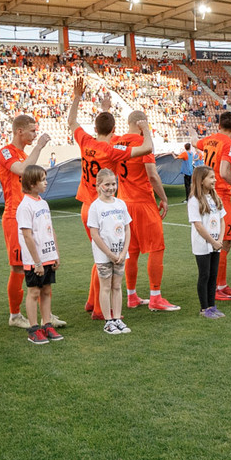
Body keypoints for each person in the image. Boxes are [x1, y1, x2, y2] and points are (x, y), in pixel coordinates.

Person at [67, 79, 152, 318]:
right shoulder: (112, 150)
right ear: (114, 131)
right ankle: (98, 309)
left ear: (95, 129)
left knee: (99, 257)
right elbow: (146, 149)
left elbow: (72, 121)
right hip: (101, 209)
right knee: (105, 258)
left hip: (85, 205)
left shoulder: (86, 141)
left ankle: (92, 302)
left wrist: (77, 97)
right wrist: (146, 129)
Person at [115, 110, 180, 313]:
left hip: (123, 202)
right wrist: (164, 198)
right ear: (142, 123)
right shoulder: (143, 144)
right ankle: (155, 297)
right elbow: (152, 175)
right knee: (156, 248)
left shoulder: (117, 142)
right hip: (143, 202)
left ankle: (132, 296)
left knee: (131, 251)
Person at [0, 114, 58, 329]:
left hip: (31, 214)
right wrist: (40, 146)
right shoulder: (6, 151)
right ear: (19, 131)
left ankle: (46, 315)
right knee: (18, 267)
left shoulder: (22, 153)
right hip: (15, 216)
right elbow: (22, 170)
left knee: (41, 261)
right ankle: (15, 315)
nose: (35, 134)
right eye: (32, 131)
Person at [195, 112, 231, 301]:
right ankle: (216, 287)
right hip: (220, 195)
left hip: (209, 193)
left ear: (219, 124)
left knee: (221, 240)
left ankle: (220, 285)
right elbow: (223, 171)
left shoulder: (209, 139)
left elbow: (197, 143)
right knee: (223, 241)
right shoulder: (229, 144)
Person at [17, 165, 62, 345]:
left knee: (47, 290)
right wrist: (36, 262)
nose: (46, 182)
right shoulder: (25, 206)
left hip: (48, 256)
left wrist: (56, 253)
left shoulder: (43, 203)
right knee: (34, 291)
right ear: (32, 183)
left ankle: (47, 324)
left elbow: (50, 230)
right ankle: (33, 328)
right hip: (34, 259)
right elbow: (27, 235)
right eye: (43, 179)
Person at [87, 169, 132, 336]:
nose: (111, 187)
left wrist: (123, 252)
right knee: (105, 287)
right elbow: (95, 234)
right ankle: (108, 321)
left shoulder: (120, 204)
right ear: (99, 186)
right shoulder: (95, 207)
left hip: (120, 254)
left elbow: (127, 228)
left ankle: (117, 318)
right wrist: (110, 254)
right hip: (104, 256)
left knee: (117, 286)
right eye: (107, 184)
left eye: (114, 184)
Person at [188, 164, 226, 318]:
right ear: (201, 180)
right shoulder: (194, 200)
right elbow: (198, 225)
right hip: (203, 245)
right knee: (204, 275)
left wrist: (220, 240)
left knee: (213, 275)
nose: (214, 180)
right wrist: (212, 241)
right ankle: (204, 308)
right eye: (211, 177)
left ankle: (212, 306)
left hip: (216, 244)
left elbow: (222, 220)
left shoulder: (214, 197)